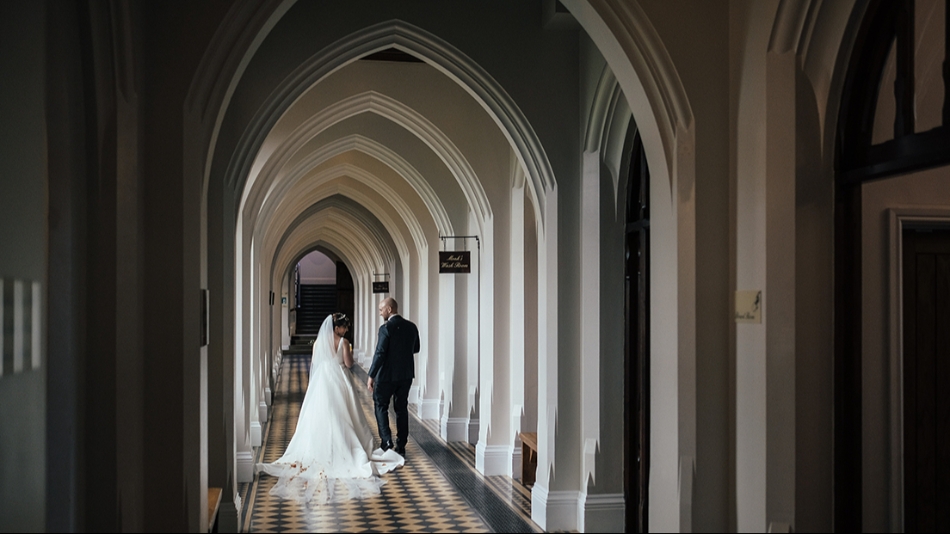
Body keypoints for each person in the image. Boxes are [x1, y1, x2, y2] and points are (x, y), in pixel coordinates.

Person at [256, 313, 403, 506]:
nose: (347, 329)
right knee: (345, 416)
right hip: (340, 381)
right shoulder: (343, 342)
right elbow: (349, 364)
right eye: (344, 326)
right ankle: (346, 448)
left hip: (322, 382)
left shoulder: (317, 343)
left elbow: (314, 364)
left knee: (320, 417)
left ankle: (321, 447)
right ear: (337, 328)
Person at [366, 298, 420, 458]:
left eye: (381, 309)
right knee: (401, 408)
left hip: (386, 376)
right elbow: (416, 348)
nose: (380, 312)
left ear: (389, 309)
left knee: (380, 405)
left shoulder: (385, 328)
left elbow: (380, 353)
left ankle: (386, 441)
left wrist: (372, 374)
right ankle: (401, 445)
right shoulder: (411, 327)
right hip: (405, 375)